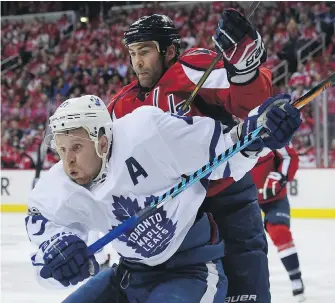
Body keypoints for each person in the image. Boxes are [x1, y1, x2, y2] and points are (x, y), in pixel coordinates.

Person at [25, 93, 301, 303]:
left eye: (76, 147)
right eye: (61, 150)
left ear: (102, 141)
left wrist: (256, 132)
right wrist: (58, 255)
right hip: (129, 276)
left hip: (192, 271)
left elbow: (223, 151)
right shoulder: (59, 185)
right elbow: (46, 247)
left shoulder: (146, 132)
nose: (68, 160)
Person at [108, 12, 272, 302]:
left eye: (144, 51)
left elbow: (252, 104)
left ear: (169, 50)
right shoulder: (122, 105)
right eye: (133, 53)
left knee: (246, 293)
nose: (137, 62)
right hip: (176, 217)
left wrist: (243, 66)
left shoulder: (191, 67)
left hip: (226, 200)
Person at [251, 144, 305, 302]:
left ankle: (295, 277)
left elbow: (289, 156)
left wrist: (281, 176)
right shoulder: (223, 126)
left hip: (273, 198)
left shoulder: (268, 124)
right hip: (243, 198)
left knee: (280, 232)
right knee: (242, 244)